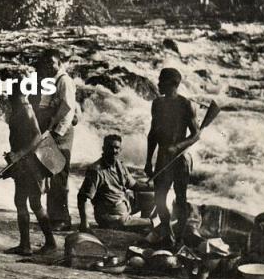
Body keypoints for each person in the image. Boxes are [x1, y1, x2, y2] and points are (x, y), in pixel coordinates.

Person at [143, 67, 200, 248]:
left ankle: (180, 237)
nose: (158, 84)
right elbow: (152, 134)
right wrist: (148, 160)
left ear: (173, 84)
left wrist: (177, 146)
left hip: (180, 159)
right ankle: (168, 232)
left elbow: (196, 134)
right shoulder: (157, 104)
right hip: (162, 158)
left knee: (181, 198)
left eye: (162, 81)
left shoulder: (186, 105)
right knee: (159, 198)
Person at [3, 81, 56, 255]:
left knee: (25, 201)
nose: (9, 98)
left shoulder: (25, 109)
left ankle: (29, 245)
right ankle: (44, 242)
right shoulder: (21, 109)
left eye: (12, 95)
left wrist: (19, 155)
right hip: (24, 164)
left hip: (30, 164)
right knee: (32, 203)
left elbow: (37, 137)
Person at [30, 49, 77, 231]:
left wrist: (57, 132)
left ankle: (62, 219)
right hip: (51, 130)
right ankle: (53, 215)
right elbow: (44, 106)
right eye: (46, 63)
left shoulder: (64, 80)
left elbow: (68, 109)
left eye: (52, 62)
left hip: (61, 133)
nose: (49, 66)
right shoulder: (51, 81)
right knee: (50, 171)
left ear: (59, 62)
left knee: (59, 173)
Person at [77, 134, 148, 230]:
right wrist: (84, 223)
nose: (114, 151)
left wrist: (153, 186)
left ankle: (143, 225)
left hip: (125, 207)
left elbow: (134, 185)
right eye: (110, 148)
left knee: (151, 196)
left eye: (117, 148)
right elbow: (82, 197)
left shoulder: (120, 165)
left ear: (120, 149)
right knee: (153, 223)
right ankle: (146, 224)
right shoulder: (96, 170)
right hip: (111, 218)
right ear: (103, 149)